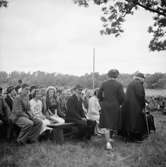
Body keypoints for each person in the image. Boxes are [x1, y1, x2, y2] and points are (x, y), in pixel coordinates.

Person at [98, 69, 125, 150]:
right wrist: (119, 103)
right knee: (111, 123)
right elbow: (122, 97)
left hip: (105, 105)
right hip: (115, 105)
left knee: (107, 124)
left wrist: (103, 100)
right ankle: (108, 142)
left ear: (108, 75)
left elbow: (99, 95)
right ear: (116, 76)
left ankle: (108, 140)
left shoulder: (104, 83)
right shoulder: (119, 84)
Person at [121, 72, 147, 142]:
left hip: (128, 105)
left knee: (129, 121)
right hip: (135, 106)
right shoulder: (138, 84)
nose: (144, 80)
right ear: (141, 78)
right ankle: (133, 138)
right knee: (135, 122)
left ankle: (127, 136)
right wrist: (143, 105)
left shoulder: (131, 83)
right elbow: (140, 96)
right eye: (144, 79)